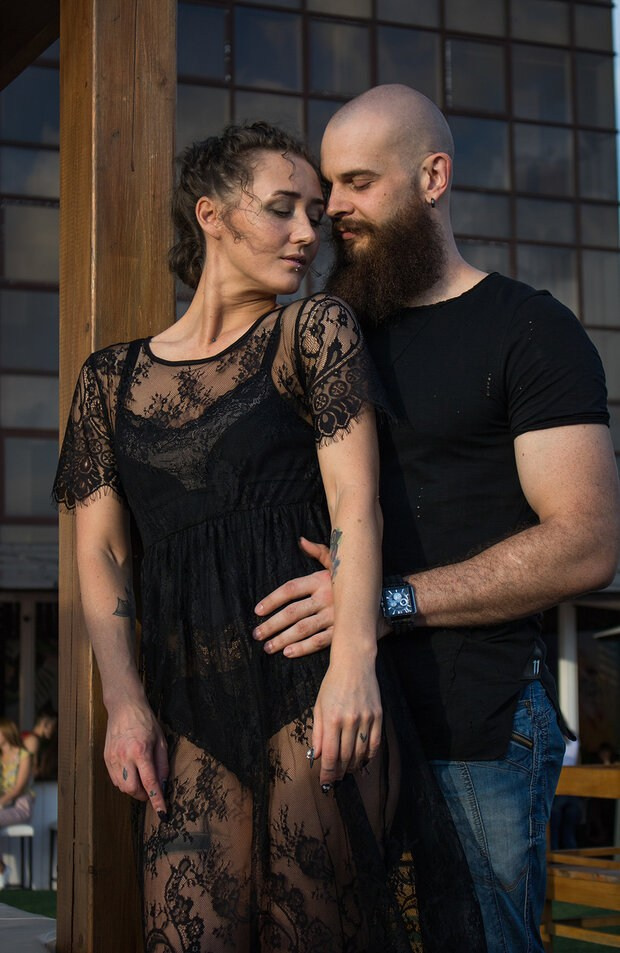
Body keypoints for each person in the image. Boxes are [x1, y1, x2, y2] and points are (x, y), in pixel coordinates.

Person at [53, 122, 485, 952]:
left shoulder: (312, 331)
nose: (307, 234)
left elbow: (356, 506)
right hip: (186, 702)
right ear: (211, 215)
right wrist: (124, 700)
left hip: (309, 689)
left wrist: (353, 664)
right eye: (282, 208)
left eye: (315, 215)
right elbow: (101, 552)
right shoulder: (108, 381)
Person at [252, 85, 620, 953]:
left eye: (359, 182)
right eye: (327, 190)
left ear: (434, 177)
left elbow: (587, 541)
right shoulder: (322, 339)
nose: (334, 209)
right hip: (329, 726)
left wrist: (380, 599)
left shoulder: (529, 329)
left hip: (476, 726)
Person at [0, 717, 34, 889]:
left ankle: (1, 869)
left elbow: (18, 788)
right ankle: (1, 868)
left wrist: (1, 801)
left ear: (6, 732)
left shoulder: (23, 754)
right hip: (4, 805)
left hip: (21, 805)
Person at [22, 704, 58, 778]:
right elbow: (32, 770)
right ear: (45, 724)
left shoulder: (28, 736)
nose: (54, 730)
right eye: (54, 726)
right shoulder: (33, 741)